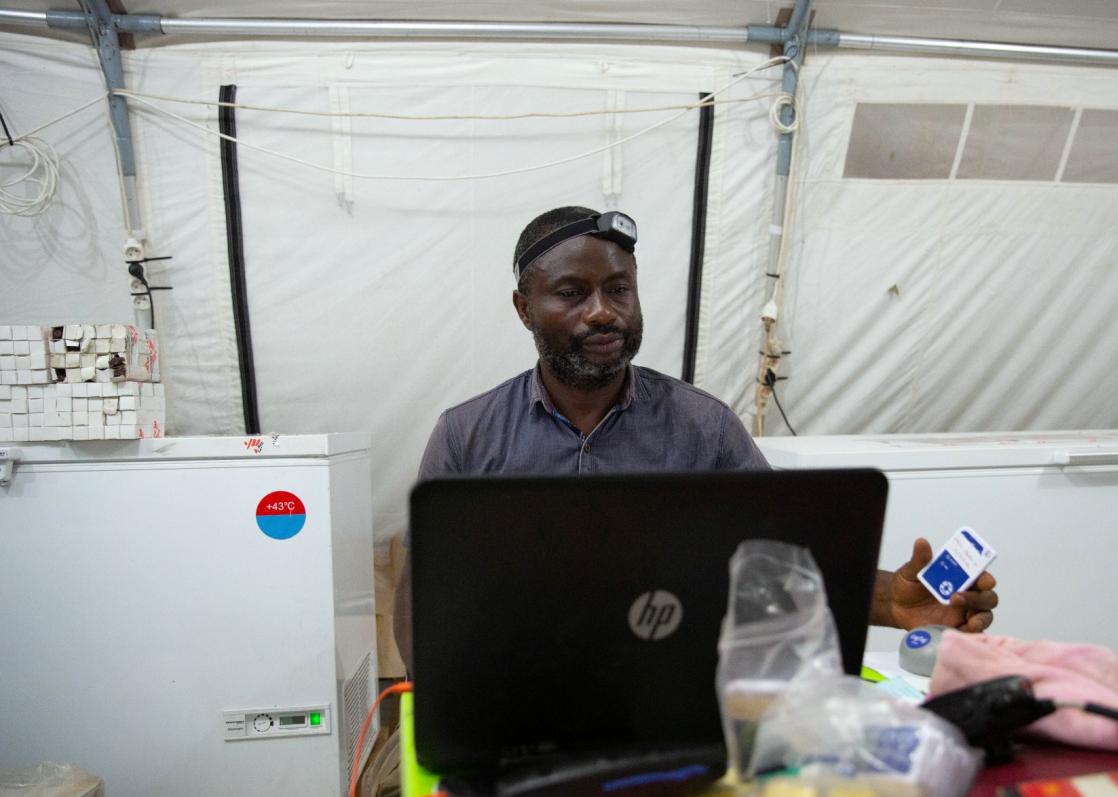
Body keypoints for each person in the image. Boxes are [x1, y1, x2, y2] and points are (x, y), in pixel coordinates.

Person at [393, 206, 997, 668]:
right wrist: (449, 695)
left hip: (667, 693)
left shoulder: (703, 428)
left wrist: (891, 599)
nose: (604, 311)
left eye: (619, 289)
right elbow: (419, 609)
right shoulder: (467, 436)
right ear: (525, 309)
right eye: (573, 293)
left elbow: (783, 568)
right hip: (516, 697)